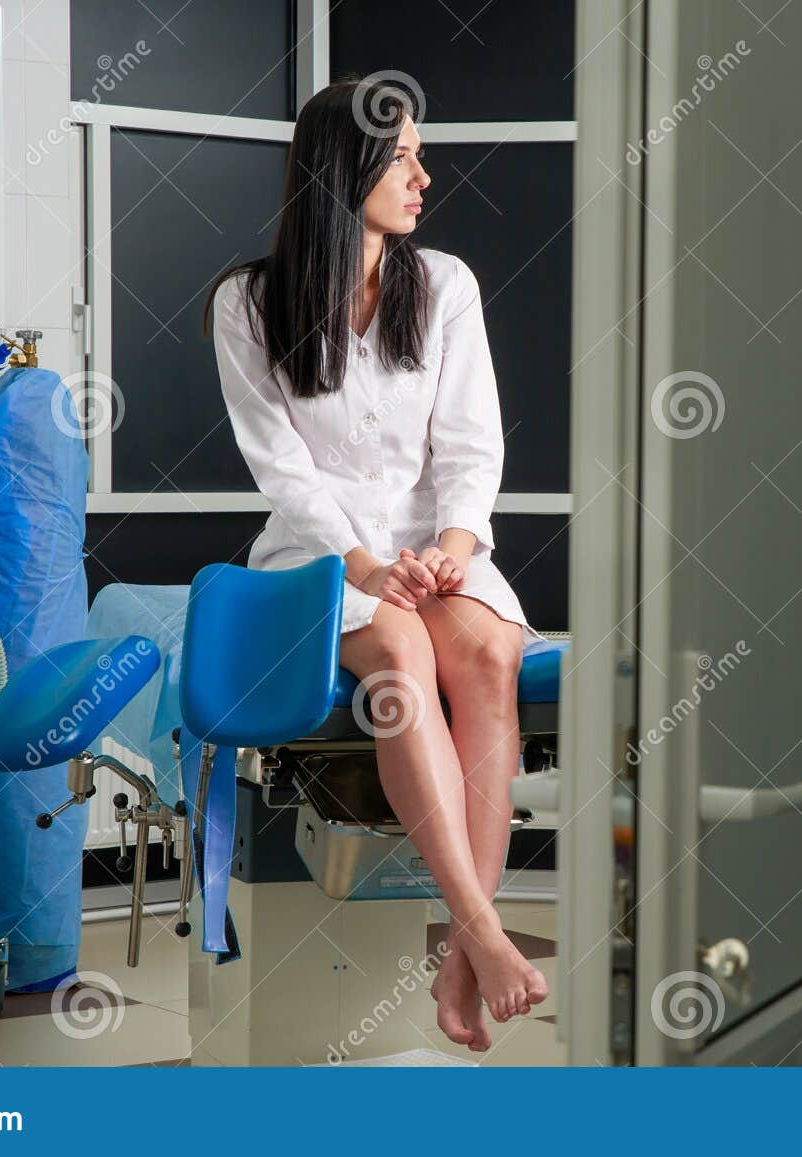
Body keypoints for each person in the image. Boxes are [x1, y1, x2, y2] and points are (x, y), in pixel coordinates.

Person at [206, 77, 549, 1053]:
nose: (423, 176)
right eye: (402, 158)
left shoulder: (443, 285)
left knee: (485, 655)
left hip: (440, 545)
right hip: (317, 553)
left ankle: (453, 954)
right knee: (400, 654)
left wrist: (449, 548)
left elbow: (471, 451)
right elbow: (282, 469)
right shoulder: (247, 302)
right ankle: (483, 930)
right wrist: (363, 565)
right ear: (342, 166)